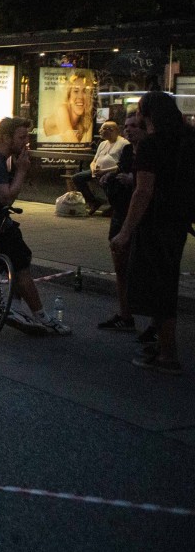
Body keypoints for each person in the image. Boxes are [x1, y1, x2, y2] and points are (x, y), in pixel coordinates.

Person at [110, 91, 191, 375]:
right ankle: (160, 342)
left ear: (146, 115)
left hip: (155, 220)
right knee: (166, 277)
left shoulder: (151, 146)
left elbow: (142, 192)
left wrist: (125, 231)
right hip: (179, 219)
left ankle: (168, 354)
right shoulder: (187, 140)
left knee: (159, 285)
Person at [0, 117, 71, 335]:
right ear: (6, 138)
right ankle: (41, 316)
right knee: (22, 267)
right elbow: (6, 198)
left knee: (20, 259)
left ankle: (13, 306)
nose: (26, 142)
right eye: (22, 137)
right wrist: (22, 171)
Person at [97, 112, 143, 332]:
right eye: (127, 126)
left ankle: (156, 324)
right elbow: (122, 168)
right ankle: (125, 315)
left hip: (140, 215)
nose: (130, 130)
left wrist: (133, 180)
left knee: (142, 268)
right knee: (120, 264)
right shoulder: (127, 150)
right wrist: (112, 175)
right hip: (120, 209)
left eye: (134, 125)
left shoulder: (151, 151)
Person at [72, 121, 128, 215]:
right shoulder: (103, 144)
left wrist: (103, 171)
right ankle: (93, 201)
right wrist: (93, 168)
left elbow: (122, 165)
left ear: (110, 130)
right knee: (77, 177)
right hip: (98, 171)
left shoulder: (124, 144)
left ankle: (114, 206)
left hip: (113, 172)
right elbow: (94, 160)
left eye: (102, 129)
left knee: (108, 179)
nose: (100, 131)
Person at [42, 70, 94, 144]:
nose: (80, 97)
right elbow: (73, 146)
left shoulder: (84, 120)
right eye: (76, 91)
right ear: (69, 96)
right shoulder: (61, 110)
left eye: (85, 91)